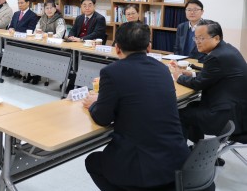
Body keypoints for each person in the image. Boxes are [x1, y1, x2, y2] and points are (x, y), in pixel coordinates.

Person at [82, 21, 190, 191]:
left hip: (142, 167)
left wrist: (94, 103)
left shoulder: (111, 72)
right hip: (177, 162)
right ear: (149, 47)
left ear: (117, 48)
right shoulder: (162, 69)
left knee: (93, 161)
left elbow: (102, 119)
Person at [171, 20, 247, 151]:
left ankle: (181, 156)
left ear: (216, 38)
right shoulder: (227, 49)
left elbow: (198, 84)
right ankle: (198, 151)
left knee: (179, 113)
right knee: (191, 106)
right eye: (196, 37)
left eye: (201, 38)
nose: (197, 41)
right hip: (238, 111)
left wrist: (178, 76)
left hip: (227, 116)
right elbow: (213, 75)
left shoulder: (216, 57)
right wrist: (192, 74)